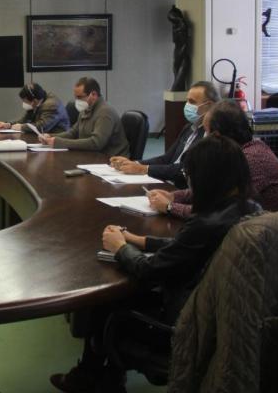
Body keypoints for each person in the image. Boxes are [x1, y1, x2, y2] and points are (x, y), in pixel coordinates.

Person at [51, 136, 261, 392]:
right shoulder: (248, 209)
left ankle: (91, 378)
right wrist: (139, 240)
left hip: (181, 321)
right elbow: (186, 250)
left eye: (190, 174)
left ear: (206, 178)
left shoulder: (204, 223)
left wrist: (121, 248)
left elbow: (149, 271)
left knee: (104, 298)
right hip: (216, 310)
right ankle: (102, 378)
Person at [147, 99, 278, 216]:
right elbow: (215, 191)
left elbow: (216, 213)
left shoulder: (250, 160)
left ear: (217, 136)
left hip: (272, 240)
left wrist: (169, 207)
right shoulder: (244, 151)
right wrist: (173, 196)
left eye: (206, 132)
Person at [110, 80, 218, 186]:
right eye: (187, 101)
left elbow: (184, 170)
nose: (187, 105)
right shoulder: (189, 128)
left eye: (192, 102)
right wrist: (135, 163)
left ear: (209, 105)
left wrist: (144, 169)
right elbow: (166, 158)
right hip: (167, 181)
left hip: (182, 188)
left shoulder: (210, 135)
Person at [40, 77, 129, 157]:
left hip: (110, 160)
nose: (77, 101)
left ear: (93, 94)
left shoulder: (105, 112)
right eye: (76, 97)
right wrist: (50, 137)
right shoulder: (85, 110)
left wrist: (60, 142)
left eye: (80, 97)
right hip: (93, 156)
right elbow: (73, 133)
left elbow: (96, 143)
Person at [0, 82, 70, 134]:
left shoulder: (52, 105)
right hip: (42, 137)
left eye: (26, 102)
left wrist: (21, 127)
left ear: (34, 101)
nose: (24, 104)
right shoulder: (38, 101)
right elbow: (25, 119)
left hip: (55, 139)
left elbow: (42, 127)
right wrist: (9, 124)